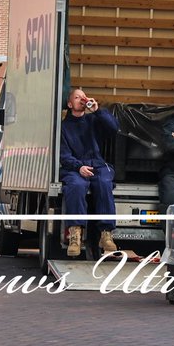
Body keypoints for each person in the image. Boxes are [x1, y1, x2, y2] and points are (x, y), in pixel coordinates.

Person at [59, 87, 120, 258]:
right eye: (77, 97)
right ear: (70, 104)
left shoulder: (93, 120)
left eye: (84, 97)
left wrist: (97, 110)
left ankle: (106, 234)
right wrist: (79, 167)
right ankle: (75, 235)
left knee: (104, 183)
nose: (82, 99)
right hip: (74, 167)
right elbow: (64, 155)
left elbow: (114, 128)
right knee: (76, 185)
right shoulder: (63, 127)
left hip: (97, 165)